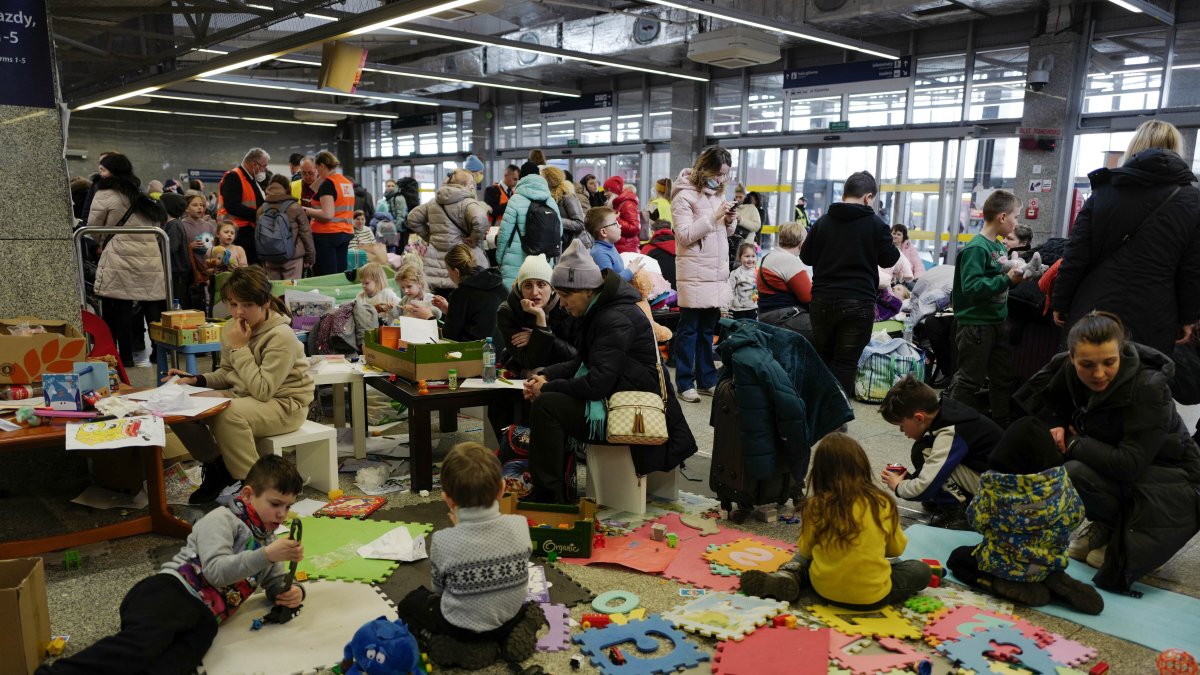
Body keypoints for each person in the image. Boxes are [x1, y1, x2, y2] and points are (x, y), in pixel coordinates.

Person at [35, 455, 305, 675]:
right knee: (140, 648)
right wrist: (268, 555)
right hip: (171, 592)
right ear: (248, 494)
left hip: (205, 618)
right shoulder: (222, 520)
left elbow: (274, 583)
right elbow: (216, 571)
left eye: (288, 507)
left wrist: (291, 592)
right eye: (275, 504)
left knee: (174, 664)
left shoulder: (265, 540)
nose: (281, 515)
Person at [1013, 311, 1200, 591]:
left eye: (1109, 363)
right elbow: (1039, 403)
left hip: (1171, 482)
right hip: (1124, 466)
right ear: (1072, 358)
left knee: (1074, 468)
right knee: (1064, 465)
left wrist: (1075, 443)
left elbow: (1130, 464)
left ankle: (1134, 537)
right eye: (1086, 365)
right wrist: (1055, 425)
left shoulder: (1149, 387)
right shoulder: (1065, 369)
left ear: (1122, 352)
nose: (1098, 374)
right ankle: (1109, 524)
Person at [522, 240, 697, 503]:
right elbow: (579, 363)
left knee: (547, 405)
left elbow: (597, 384)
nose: (564, 304)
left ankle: (547, 496)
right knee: (547, 398)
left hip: (630, 412)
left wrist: (546, 388)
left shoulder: (613, 317)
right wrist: (547, 375)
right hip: (617, 398)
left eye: (566, 296)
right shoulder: (602, 311)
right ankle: (552, 488)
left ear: (586, 290)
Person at [1052, 120, 1200, 356]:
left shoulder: (1104, 192)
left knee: (1089, 379)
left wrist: (1061, 301)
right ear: (1176, 149)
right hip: (1156, 311)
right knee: (1141, 381)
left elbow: (1076, 254)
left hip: (1095, 306)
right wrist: (1188, 316)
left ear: (1135, 147)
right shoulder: (1193, 200)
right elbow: (1191, 269)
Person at [167, 266, 314, 503]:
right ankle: (217, 468)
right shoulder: (232, 328)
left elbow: (263, 391)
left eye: (247, 305)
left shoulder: (280, 336)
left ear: (265, 302)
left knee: (228, 413)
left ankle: (254, 488)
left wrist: (239, 348)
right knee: (178, 406)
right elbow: (228, 372)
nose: (238, 313)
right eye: (233, 304)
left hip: (286, 405)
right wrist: (197, 380)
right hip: (244, 396)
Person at [739, 433, 931, 608]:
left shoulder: (816, 504)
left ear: (821, 472)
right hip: (872, 597)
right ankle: (798, 577)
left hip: (824, 590)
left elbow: (805, 549)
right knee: (919, 570)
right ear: (862, 466)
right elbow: (895, 550)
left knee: (811, 559)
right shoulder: (882, 502)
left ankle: (791, 573)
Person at [396, 442, 542, 668]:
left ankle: (445, 643)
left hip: (460, 628)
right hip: (508, 617)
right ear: (502, 489)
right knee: (515, 600)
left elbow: (439, 589)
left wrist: (459, 531)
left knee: (409, 604)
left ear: (448, 499)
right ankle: (515, 631)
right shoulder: (519, 524)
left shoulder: (443, 540)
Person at [946, 418, 1104, 613]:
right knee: (1041, 565)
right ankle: (1054, 579)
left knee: (957, 559)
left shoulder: (994, 486)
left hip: (1003, 564)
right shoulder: (1060, 483)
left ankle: (999, 584)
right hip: (1048, 561)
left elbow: (976, 520)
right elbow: (1076, 516)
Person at [801, 171, 899, 395]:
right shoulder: (876, 224)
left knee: (824, 358)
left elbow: (805, 257)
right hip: (858, 302)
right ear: (868, 197)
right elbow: (889, 258)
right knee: (845, 363)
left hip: (822, 300)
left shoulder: (823, 222)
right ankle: (837, 422)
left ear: (845, 194)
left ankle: (818, 416)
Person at [879, 375, 1000, 529]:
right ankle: (945, 500)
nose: (902, 431)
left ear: (919, 418)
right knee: (923, 448)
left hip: (997, 499)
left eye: (902, 425)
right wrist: (913, 478)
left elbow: (924, 487)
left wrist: (899, 486)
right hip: (993, 481)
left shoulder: (950, 432)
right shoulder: (947, 412)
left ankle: (958, 515)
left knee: (926, 452)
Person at [949, 189, 1026, 427]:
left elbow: (998, 280)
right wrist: (1007, 280)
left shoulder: (1000, 248)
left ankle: (1001, 424)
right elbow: (971, 287)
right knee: (969, 380)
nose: (1016, 223)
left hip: (997, 322)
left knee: (1001, 378)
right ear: (1002, 217)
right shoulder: (977, 248)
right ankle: (949, 427)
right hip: (976, 326)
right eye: (1015, 216)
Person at [88, 152, 169, 367]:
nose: (100, 172)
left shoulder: (104, 193)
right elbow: (156, 224)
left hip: (120, 255)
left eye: (103, 168)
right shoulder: (140, 194)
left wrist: (102, 241)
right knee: (152, 305)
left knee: (121, 307)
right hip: (149, 257)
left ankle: (125, 357)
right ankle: (158, 353)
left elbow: (94, 226)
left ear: (112, 171)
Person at [671, 145, 737, 403]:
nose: (721, 179)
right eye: (718, 173)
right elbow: (685, 236)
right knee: (689, 330)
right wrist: (713, 216)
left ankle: (706, 379)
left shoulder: (716, 195)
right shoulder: (683, 196)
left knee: (708, 330)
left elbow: (725, 233)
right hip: (694, 272)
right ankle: (684, 381)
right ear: (705, 168)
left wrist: (729, 219)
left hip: (715, 272)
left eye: (725, 175)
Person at [406, 169, 490, 296]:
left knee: (441, 305)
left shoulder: (433, 202)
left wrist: (430, 237)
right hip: (461, 263)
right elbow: (480, 219)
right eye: (471, 182)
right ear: (464, 184)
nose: (473, 186)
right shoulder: (467, 203)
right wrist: (474, 238)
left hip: (435, 267)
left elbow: (412, 218)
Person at [497, 167, 561, 288]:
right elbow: (559, 232)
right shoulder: (551, 201)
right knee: (539, 296)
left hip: (515, 259)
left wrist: (499, 258)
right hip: (544, 260)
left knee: (514, 297)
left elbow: (504, 233)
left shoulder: (515, 200)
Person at [756, 221, 812, 339]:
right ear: (802, 243)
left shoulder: (770, 256)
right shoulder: (788, 260)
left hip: (767, 316)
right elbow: (808, 297)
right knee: (828, 329)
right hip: (782, 318)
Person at [304, 150, 356, 276]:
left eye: (317, 169)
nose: (316, 173)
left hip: (327, 235)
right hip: (345, 232)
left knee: (326, 275)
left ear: (322, 166)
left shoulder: (328, 184)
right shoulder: (346, 182)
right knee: (340, 273)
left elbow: (327, 214)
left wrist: (304, 210)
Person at [442, 244, 506, 342]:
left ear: (456, 271)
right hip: (506, 350)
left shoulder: (461, 294)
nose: (448, 274)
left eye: (448, 270)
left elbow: (450, 336)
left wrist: (430, 317)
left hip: (476, 351)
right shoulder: (498, 284)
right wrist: (449, 310)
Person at [217, 148, 269, 264]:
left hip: (250, 231)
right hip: (239, 232)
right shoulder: (234, 176)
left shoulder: (251, 178)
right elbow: (232, 205)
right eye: (264, 166)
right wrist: (258, 214)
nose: (265, 170)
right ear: (254, 164)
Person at [257, 174, 313, 281]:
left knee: (274, 290)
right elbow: (306, 234)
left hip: (269, 257)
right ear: (287, 188)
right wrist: (310, 258)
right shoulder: (295, 208)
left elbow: (259, 236)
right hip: (293, 258)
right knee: (291, 292)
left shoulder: (261, 209)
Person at [180, 193, 217, 309]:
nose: (199, 207)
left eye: (201, 205)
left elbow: (215, 246)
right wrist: (190, 246)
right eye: (195, 205)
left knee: (209, 297)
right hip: (192, 270)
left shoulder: (209, 226)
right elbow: (179, 248)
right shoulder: (182, 226)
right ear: (186, 208)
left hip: (207, 267)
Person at [587, 206, 640, 281]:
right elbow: (611, 282)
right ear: (603, 232)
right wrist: (630, 271)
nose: (620, 225)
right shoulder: (599, 253)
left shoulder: (610, 246)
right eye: (615, 223)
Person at [543, 166, 589, 250]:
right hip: (560, 242)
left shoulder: (567, 196)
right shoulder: (547, 197)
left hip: (571, 245)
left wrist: (556, 220)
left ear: (549, 180)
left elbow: (579, 223)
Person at [603, 176, 640, 253]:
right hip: (620, 247)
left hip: (627, 249)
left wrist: (614, 217)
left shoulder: (628, 204)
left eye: (607, 191)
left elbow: (634, 228)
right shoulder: (617, 204)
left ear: (614, 190)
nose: (605, 194)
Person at [726, 242, 758, 320]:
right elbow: (729, 291)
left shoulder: (758, 272)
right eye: (747, 256)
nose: (750, 259)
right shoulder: (735, 273)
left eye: (753, 256)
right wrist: (725, 309)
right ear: (740, 257)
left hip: (753, 308)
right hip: (738, 310)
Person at [641, 222, 677, 288]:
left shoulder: (647, 248)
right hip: (682, 288)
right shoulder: (681, 246)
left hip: (660, 291)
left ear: (652, 232)